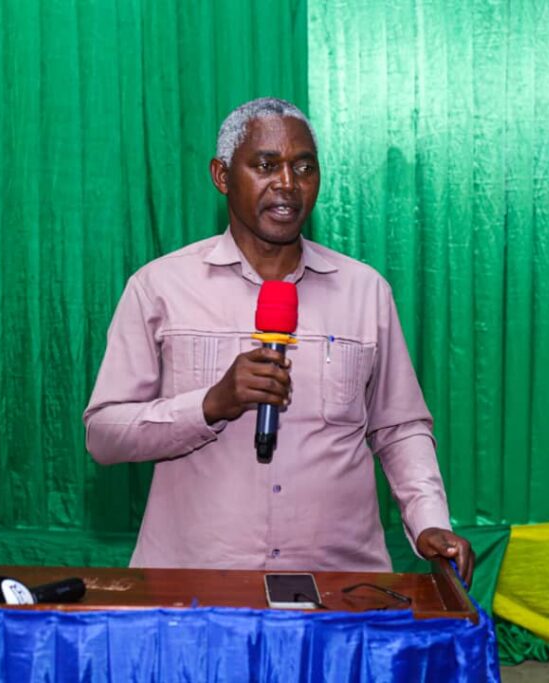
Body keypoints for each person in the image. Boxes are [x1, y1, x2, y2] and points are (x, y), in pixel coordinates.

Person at [83, 98, 474, 584]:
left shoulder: (365, 290)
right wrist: (210, 404)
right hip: (196, 586)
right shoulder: (159, 287)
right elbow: (104, 435)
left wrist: (429, 521)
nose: (288, 183)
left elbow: (400, 427)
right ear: (222, 176)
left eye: (304, 167)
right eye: (266, 165)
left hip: (339, 587)